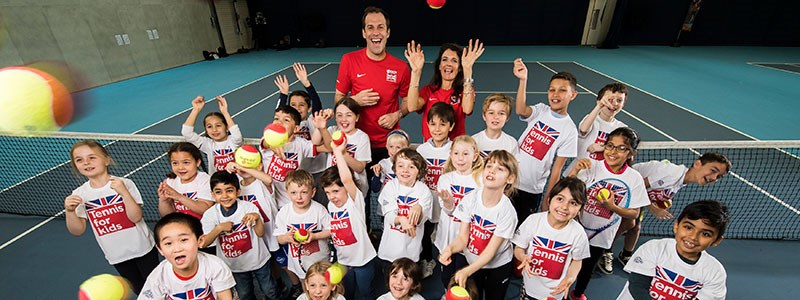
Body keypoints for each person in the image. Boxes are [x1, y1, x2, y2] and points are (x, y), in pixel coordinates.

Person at [609, 152, 731, 272]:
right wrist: (655, 209)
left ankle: (625, 254)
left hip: (635, 195)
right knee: (628, 223)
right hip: (619, 187)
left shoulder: (682, 180)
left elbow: (658, 190)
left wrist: (663, 200)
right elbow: (637, 187)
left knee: (635, 228)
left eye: (719, 176)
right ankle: (605, 250)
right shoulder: (671, 174)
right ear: (697, 163)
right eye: (713, 170)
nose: (714, 178)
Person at [64, 140, 158, 295]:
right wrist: (69, 211)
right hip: (117, 255)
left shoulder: (124, 183)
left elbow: (136, 217)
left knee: (158, 287)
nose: (86, 162)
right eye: (79, 160)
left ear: (106, 160)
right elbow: (77, 230)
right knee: (141, 292)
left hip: (143, 248)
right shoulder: (79, 194)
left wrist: (124, 193)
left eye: (92, 157)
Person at [567, 127, 650, 300]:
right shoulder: (591, 166)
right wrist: (575, 172)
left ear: (630, 153)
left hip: (601, 235)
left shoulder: (634, 178)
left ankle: (577, 294)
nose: (613, 152)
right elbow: (568, 192)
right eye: (610, 146)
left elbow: (634, 214)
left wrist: (612, 207)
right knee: (564, 262)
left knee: (587, 268)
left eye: (621, 148)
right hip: (575, 227)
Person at [439, 150, 519, 300]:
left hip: (497, 266)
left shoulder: (507, 212)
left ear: (510, 179)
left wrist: (467, 271)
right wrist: (449, 249)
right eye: (489, 166)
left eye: (500, 169)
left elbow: (490, 252)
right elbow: (463, 238)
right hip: (472, 261)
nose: (492, 171)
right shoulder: (470, 198)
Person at [335, 6, 411, 159]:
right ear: (364, 33)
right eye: (370, 27)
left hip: (388, 145)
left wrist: (397, 115)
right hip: (355, 142)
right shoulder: (349, 60)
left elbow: (408, 101)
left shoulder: (401, 67)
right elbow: (338, 99)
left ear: (388, 32)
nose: (376, 32)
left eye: (380, 27)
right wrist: (353, 101)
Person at [616, 200, 729, 300]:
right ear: (676, 226)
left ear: (717, 240)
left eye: (705, 234)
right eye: (688, 227)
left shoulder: (715, 272)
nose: (693, 237)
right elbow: (638, 287)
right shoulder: (654, 248)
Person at [513, 59, 579, 223]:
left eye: (562, 90)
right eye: (552, 90)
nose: (556, 95)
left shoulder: (570, 130)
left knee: (521, 230)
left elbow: (557, 171)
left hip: (531, 189)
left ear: (573, 95)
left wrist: (548, 199)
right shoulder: (541, 110)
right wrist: (523, 80)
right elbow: (521, 110)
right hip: (510, 180)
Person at [200, 171, 278, 300]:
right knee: (245, 294)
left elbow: (260, 233)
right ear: (212, 195)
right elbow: (205, 243)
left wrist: (257, 218)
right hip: (234, 265)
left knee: (269, 290)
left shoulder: (248, 207)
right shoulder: (210, 215)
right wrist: (219, 228)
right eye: (218, 192)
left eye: (229, 190)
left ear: (238, 192)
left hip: (259, 260)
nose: (224, 196)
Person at [512, 177, 590, 300]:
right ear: (549, 200)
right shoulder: (533, 221)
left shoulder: (578, 233)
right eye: (560, 199)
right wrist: (523, 257)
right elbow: (518, 248)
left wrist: (570, 278)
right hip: (529, 287)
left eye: (573, 203)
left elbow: (577, 260)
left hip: (555, 293)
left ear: (580, 209)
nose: (564, 207)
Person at [320, 138, 378, 300]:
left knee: (366, 294)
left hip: (363, 262)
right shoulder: (332, 206)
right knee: (346, 293)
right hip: (344, 262)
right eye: (328, 193)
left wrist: (338, 152)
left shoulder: (354, 201)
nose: (332, 197)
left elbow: (346, 179)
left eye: (336, 191)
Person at [138, 213, 235, 300]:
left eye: (184, 240)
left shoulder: (215, 266)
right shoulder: (158, 277)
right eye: (168, 243)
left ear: (200, 241)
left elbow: (224, 297)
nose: (177, 249)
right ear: (160, 249)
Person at [376, 148, 432, 294]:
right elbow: (389, 215)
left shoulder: (424, 191)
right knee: (391, 285)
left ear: (419, 172)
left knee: (409, 286)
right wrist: (401, 219)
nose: (405, 170)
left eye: (411, 166)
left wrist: (419, 208)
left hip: (411, 252)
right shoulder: (390, 186)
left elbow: (422, 218)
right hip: (389, 252)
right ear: (394, 169)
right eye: (401, 165)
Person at [405, 40, 484, 141]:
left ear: (460, 68)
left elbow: (467, 109)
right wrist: (416, 72)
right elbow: (411, 107)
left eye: (454, 61)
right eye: (445, 60)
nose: (448, 64)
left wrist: (467, 70)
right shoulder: (428, 90)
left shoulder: (465, 91)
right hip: (431, 149)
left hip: (455, 150)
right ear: (439, 65)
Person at [434, 135, 484, 288]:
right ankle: (446, 294)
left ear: (474, 156)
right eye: (456, 153)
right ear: (451, 155)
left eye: (465, 154)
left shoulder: (480, 180)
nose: (460, 158)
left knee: (464, 278)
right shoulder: (445, 179)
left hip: (468, 238)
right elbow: (448, 211)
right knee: (446, 275)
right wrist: (449, 203)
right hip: (447, 237)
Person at [274, 170, 332, 298]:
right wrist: (286, 238)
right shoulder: (284, 212)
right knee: (307, 287)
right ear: (287, 193)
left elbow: (331, 230)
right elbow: (278, 238)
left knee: (324, 287)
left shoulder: (319, 210)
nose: (299, 197)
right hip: (298, 263)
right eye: (294, 193)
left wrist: (315, 236)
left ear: (313, 192)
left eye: (304, 192)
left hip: (320, 260)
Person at [415, 102, 456, 277]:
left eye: (443, 124)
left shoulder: (454, 149)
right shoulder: (422, 149)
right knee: (425, 234)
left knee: (447, 234)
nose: (437, 129)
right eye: (433, 123)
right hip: (428, 202)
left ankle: (448, 262)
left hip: (448, 203)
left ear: (451, 126)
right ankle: (427, 260)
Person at [260, 105, 320, 209]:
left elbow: (323, 147)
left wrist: (320, 128)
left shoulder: (301, 144)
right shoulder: (268, 138)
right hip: (268, 200)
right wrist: (272, 145)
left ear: (296, 128)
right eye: (276, 118)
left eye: (286, 120)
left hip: (290, 201)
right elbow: (265, 143)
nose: (279, 122)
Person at [312, 98, 372, 194]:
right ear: (335, 118)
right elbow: (315, 142)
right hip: (333, 186)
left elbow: (360, 168)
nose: (344, 119)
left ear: (356, 117)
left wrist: (343, 154)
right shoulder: (332, 130)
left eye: (348, 115)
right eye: (339, 115)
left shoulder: (362, 137)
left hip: (354, 188)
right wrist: (321, 126)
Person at [565, 82, 628, 174]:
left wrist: (603, 147)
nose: (614, 103)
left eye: (619, 100)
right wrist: (599, 106)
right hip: (578, 173)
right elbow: (583, 130)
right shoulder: (591, 119)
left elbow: (627, 148)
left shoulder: (621, 128)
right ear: (600, 100)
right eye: (610, 99)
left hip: (599, 177)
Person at [181, 95, 243, 172]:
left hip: (235, 182)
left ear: (227, 127)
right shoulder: (208, 144)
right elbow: (187, 133)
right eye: (209, 126)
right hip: (216, 183)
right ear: (206, 130)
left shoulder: (233, 141)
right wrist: (196, 110)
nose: (214, 129)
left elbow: (237, 135)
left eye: (218, 125)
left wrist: (225, 113)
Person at [157, 142, 214, 221]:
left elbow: (204, 209)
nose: (180, 167)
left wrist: (179, 197)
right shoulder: (170, 182)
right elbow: (167, 215)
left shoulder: (205, 180)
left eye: (186, 162)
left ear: (197, 162)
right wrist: (163, 200)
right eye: (175, 163)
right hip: (181, 226)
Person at [275, 63, 323, 142]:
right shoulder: (286, 124)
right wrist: (283, 94)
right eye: (293, 105)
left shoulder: (313, 121)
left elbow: (317, 104)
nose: (297, 108)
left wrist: (307, 84)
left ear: (309, 108)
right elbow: (280, 113)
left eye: (301, 105)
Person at [471, 93, 519, 158]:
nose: (496, 117)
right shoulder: (474, 141)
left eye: (501, 113)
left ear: (507, 118)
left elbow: (514, 167)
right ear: (484, 116)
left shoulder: (511, 143)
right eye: (491, 113)